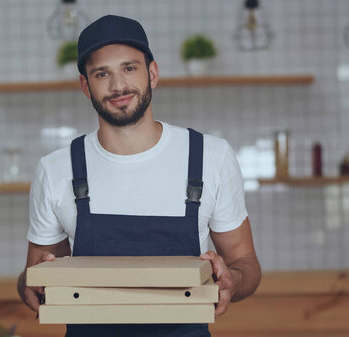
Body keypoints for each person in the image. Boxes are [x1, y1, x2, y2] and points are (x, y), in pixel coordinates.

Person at [17, 14, 261, 337]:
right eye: (102, 73)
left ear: (153, 73)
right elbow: (33, 275)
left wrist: (230, 280)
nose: (118, 86)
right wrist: (30, 286)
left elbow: (246, 264)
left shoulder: (209, 158)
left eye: (129, 68)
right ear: (85, 86)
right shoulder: (57, 169)